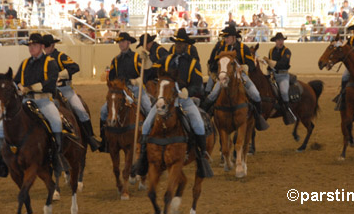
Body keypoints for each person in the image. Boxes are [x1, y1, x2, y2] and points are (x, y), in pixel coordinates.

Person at [0, 33, 68, 179]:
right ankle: (0, 162)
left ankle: (58, 156)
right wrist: (17, 86)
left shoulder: (50, 63)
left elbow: (51, 82)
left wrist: (32, 87)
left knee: (55, 121)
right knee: (0, 129)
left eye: (34, 45)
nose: (31, 48)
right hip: (25, 102)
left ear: (42, 47)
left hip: (43, 101)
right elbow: (16, 81)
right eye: (30, 45)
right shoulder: (24, 64)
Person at [132, 32, 213, 179]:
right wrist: (147, 62)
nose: (178, 46)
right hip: (166, 99)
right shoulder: (166, 59)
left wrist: (188, 91)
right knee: (146, 124)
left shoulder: (193, 63)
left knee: (198, 123)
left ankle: (201, 157)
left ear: (186, 46)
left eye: (181, 44)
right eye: (176, 44)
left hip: (184, 99)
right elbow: (152, 72)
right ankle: (142, 159)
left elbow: (198, 84)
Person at [201, 26, 269, 131]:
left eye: (227, 37)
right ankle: (205, 116)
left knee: (256, 94)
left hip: (241, 75)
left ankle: (258, 117)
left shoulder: (243, 48)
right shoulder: (221, 48)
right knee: (213, 93)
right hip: (225, 76)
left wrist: (246, 67)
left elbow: (251, 64)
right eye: (225, 37)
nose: (225, 39)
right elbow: (214, 62)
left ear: (233, 37)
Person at [42, 34, 101, 151]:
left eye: (47, 46)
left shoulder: (60, 56)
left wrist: (60, 74)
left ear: (53, 45)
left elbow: (75, 67)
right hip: (48, 92)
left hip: (65, 90)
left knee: (80, 110)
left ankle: (90, 138)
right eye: (44, 46)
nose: (45, 49)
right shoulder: (42, 60)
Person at [98, 32, 152, 152]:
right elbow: (111, 77)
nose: (121, 44)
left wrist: (137, 80)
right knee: (103, 111)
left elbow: (146, 73)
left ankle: (151, 138)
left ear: (128, 42)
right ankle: (104, 140)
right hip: (120, 91)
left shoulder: (137, 57)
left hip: (136, 88)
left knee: (148, 108)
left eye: (123, 42)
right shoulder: (115, 60)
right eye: (119, 42)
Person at [263, 32, 297, 125]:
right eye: (278, 40)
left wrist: (270, 62)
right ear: (275, 41)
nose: (280, 42)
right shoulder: (271, 51)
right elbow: (270, 66)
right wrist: (268, 71)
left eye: (281, 40)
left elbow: (283, 64)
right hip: (273, 75)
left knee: (284, 92)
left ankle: (287, 111)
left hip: (283, 76)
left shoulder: (287, 51)